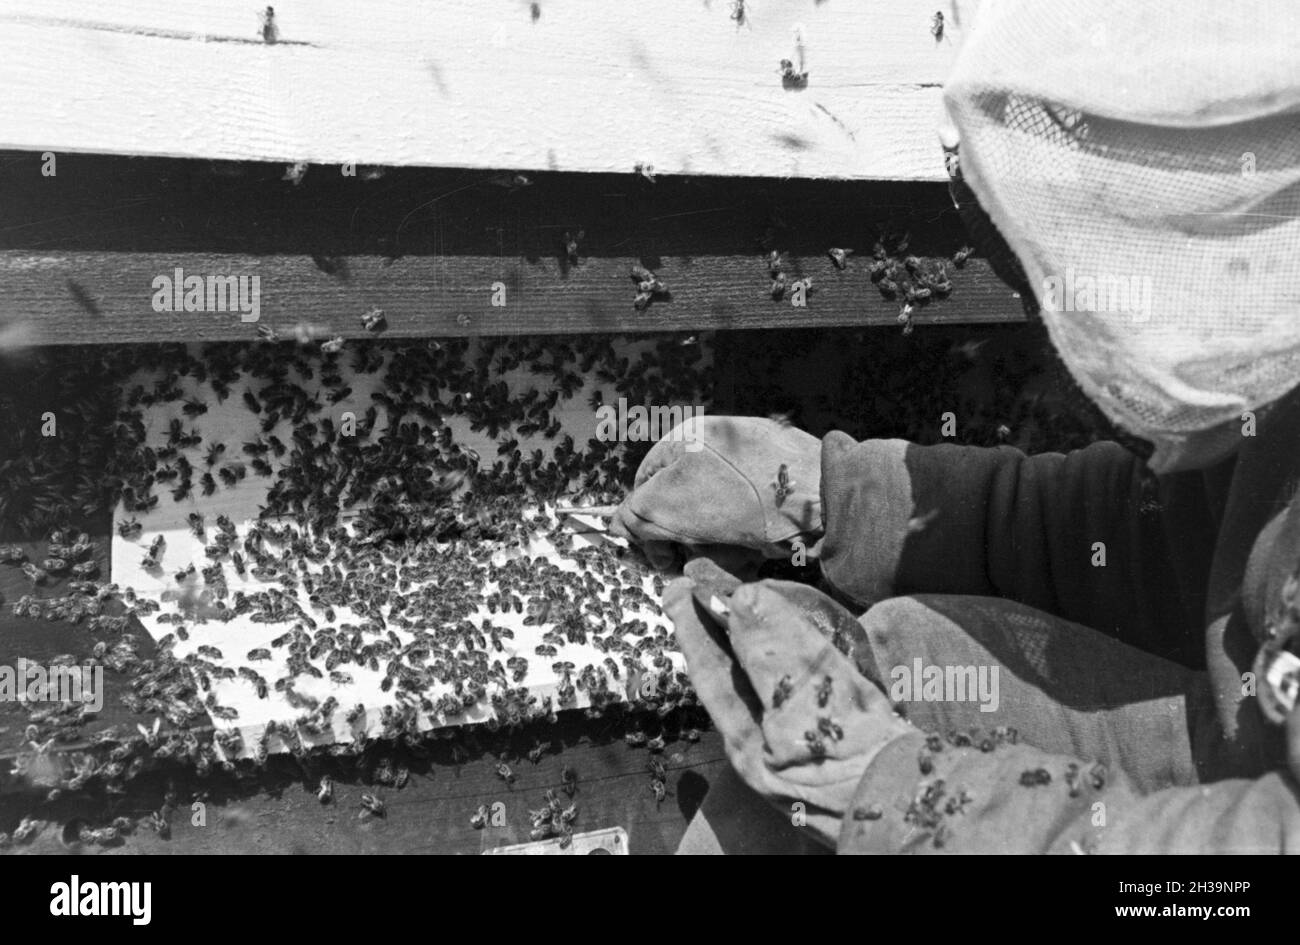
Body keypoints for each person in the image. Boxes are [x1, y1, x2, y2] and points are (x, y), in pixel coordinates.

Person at [609, 404, 1300, 853]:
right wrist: (835, 494)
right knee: (902, 663)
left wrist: (895, 795)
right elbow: (1171, 528)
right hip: (1240, 752)